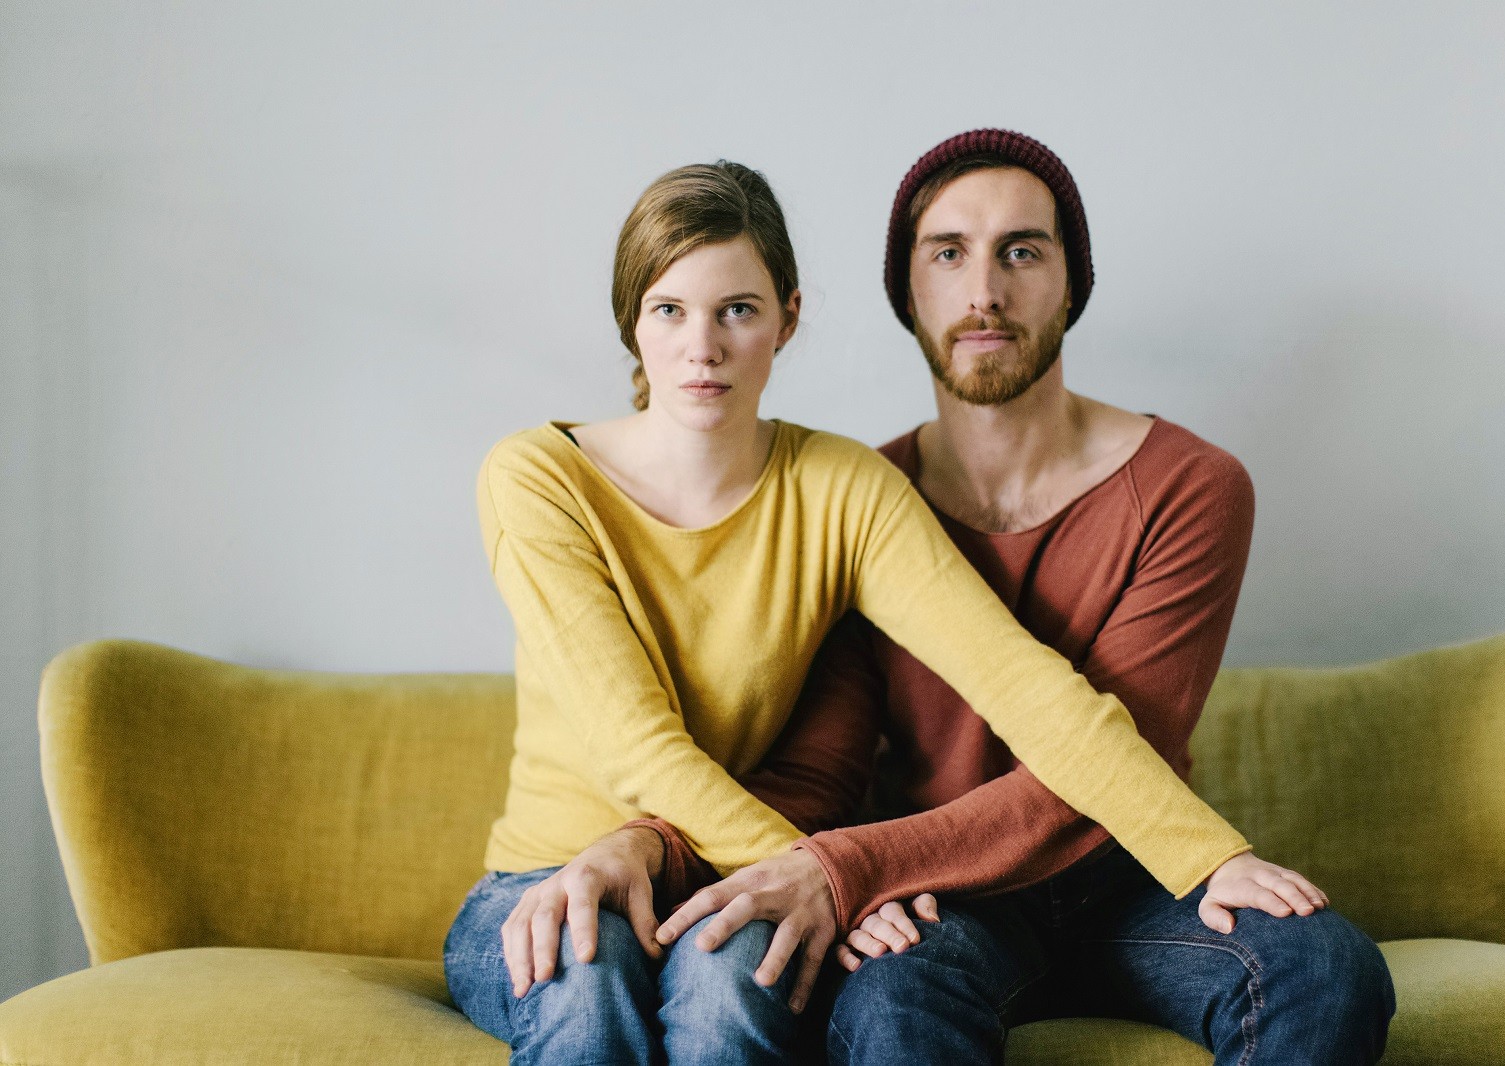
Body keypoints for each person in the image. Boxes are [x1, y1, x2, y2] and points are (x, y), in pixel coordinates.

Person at [443, 157, 1323, 1066]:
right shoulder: (537, 476)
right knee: (587, 991)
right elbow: (637, 745)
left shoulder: (846, 486)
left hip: (739, 869)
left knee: (727, 1001)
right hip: (555, 869)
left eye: (736, 310)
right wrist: (822, 871)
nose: (702, 347)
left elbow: (1022, 683)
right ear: (632, 318)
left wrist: (1206, 854)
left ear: (788, 318)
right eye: (669, 310)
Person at [646, 130, 1398, 1064]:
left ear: (1071, 283)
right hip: (945, 896)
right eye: (947, 254)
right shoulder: (855, 499)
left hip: (1135, 876)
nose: (984, 292)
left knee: (1323, 967)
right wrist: (649, 842)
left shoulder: (1190, 486)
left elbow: (1110, 763)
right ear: (906, 291)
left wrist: (846, 866)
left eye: (1022, 252)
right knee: (891, 1003)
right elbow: (825, 765)